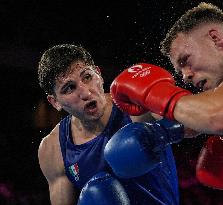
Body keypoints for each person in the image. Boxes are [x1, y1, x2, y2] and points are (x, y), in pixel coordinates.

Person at [109, 2, 223, 190]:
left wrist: (155, 93)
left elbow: (219, 118)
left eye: (185, 60)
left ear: (215, 39)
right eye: (180, 70)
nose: (185, 76)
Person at [37, 44, 184, 205]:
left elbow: (193, 122)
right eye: (69, 88)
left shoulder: (134, 104)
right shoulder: (53, 149)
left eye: (87, 77)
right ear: (55, 102)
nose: (86, 92)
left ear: (99, 74)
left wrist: (159, 133)